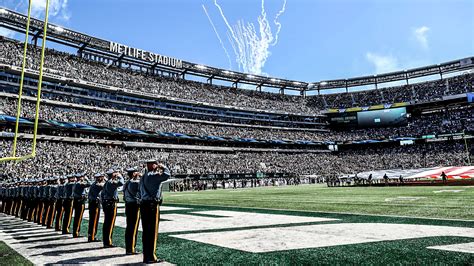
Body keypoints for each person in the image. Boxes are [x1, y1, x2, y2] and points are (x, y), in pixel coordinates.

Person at [139, 159, 171, 263]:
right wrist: (162, 166)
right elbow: (167, 174)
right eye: (155, 164)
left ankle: (146, 256)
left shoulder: (143, 177)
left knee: (146, 232)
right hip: (152, 206)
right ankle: (151, 257)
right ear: (153, 165)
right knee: (152, 232)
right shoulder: (153, 176)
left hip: (144, 205)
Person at [101, 169, 124, 248]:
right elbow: (121, 182)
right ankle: (108, 242)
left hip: (107, 203)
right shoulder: (111, 182)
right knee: (110, 223)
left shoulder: (107, 182)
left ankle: (106, 241)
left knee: (107, 222)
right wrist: (120, 176)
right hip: (111, 203)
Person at [123, 167, 141, 255]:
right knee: (133, 228)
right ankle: (131, 249)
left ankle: (128, 248)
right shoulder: (135, 183)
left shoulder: (126, 183)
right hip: (134, 206)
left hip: (128, 205)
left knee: (129, 227)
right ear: (134, 174)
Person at [88, 173, 105, 242]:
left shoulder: (94, 184)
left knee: (93, 220)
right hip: (95, 203)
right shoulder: (97, 185)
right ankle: (92, 236)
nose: (103, 178)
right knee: (94, 220)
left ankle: (91, 235)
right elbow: (107, 185)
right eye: (102, 177)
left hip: (93, 203)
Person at [72, 172, 90, 237]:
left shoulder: (75, 184)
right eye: (82, 176)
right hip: (80, 201)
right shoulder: (80, 184)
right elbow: (89, 184)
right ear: (80, 178)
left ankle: (75, 232)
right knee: (79, 217)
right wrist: (87, 179)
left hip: (76, 201)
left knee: (77, 217)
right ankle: (76, 232)